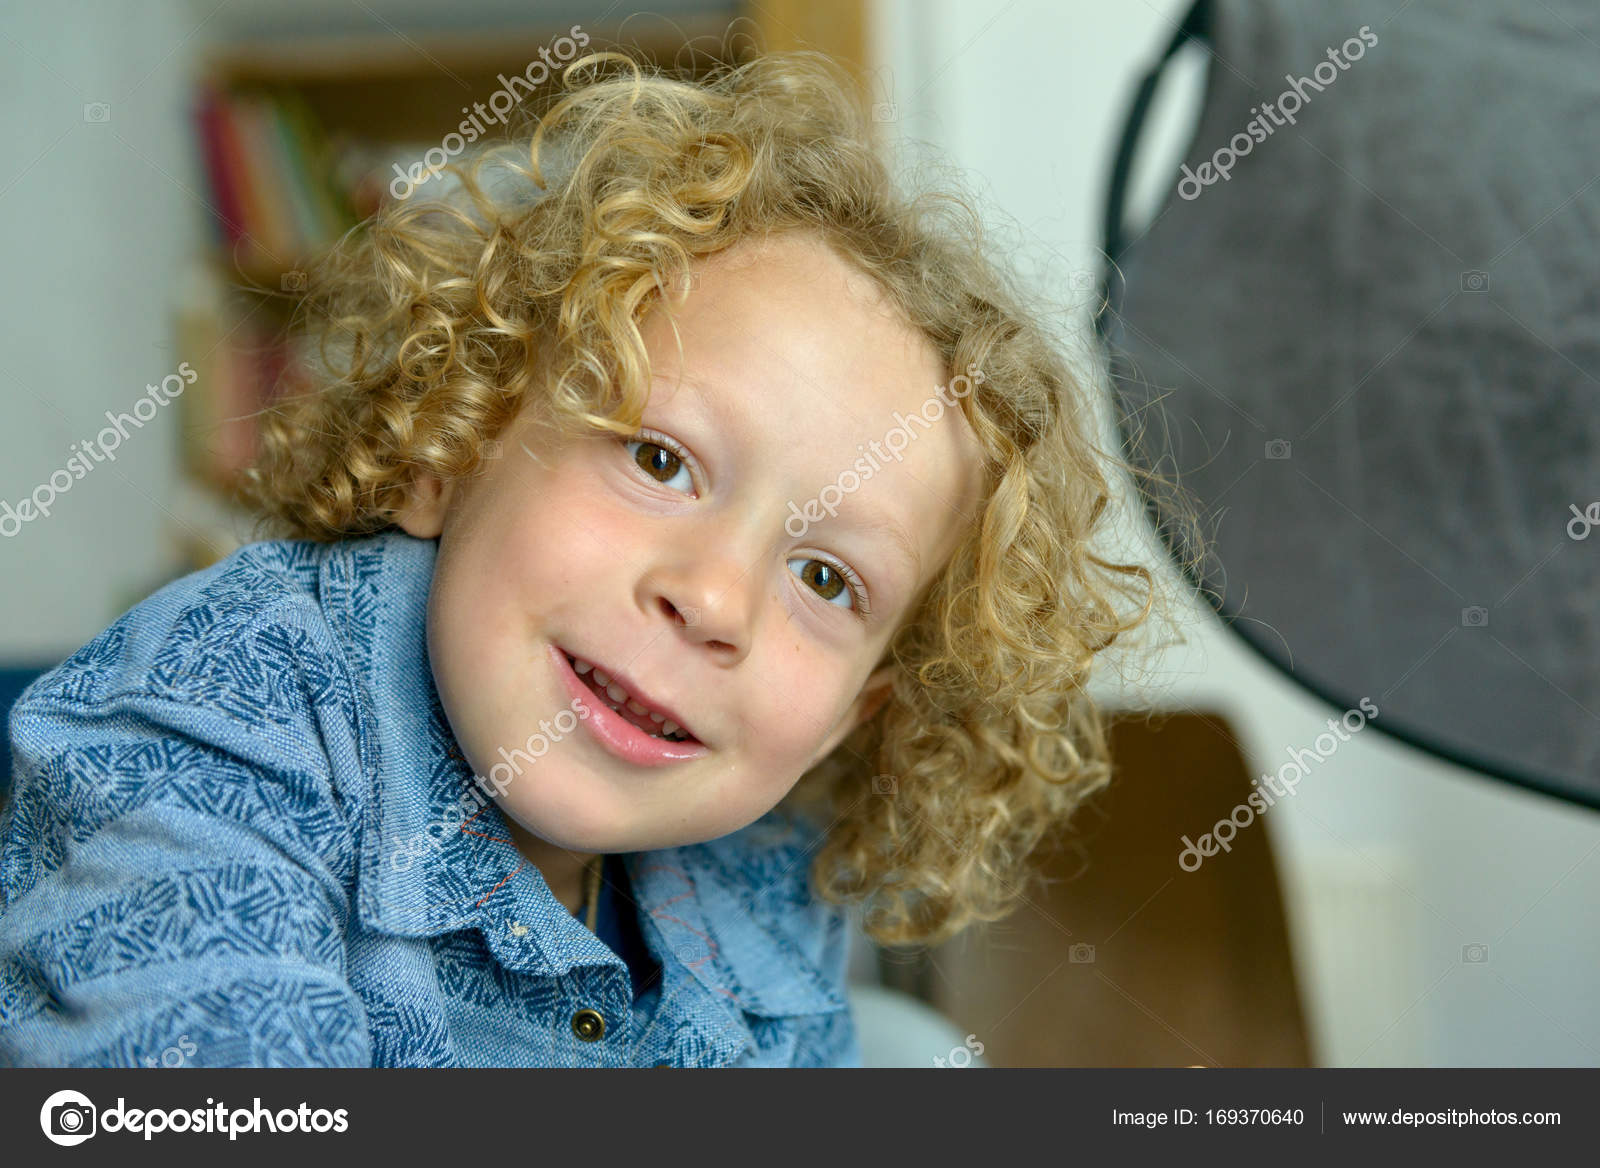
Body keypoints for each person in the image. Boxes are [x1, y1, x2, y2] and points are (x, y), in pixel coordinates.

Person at [0, 49, 1166, 1067]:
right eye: (660, 460)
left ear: (854, 716)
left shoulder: (765, 880)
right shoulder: (227, 707)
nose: (712, 598)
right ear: (446, 448)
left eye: (825, 579)